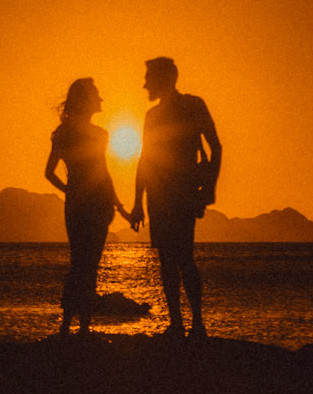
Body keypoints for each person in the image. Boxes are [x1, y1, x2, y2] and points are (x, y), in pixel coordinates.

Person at [128, 56, 221, 338]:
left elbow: (215, 147)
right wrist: (136, 203)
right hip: (161, 195)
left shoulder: (193, 105)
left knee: (182, 257)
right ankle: (180, 324)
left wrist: (209, 187)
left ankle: (195, 323)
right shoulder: (154, 115)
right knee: (170, 260)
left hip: (179, 193)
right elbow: (145, 160)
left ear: (164, 79)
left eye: (149, 78)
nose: (144, 84)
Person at [45, 77, 132, 336]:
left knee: (82, 263)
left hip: (87, 205)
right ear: (86, 100)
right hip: (90, 205)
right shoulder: (83, 133)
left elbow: (102, 174)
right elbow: (52, 173)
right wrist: (73, 192)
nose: (101, 99)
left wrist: (118, 206)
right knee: (86, 264)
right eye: (96, 94)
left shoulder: (80, 133)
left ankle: (72, 325)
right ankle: (77, 325)